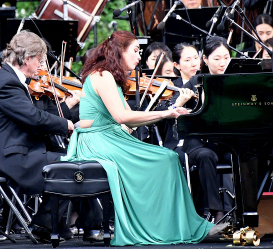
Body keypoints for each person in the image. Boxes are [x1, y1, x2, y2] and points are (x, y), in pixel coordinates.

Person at [61, 30, 217, 246]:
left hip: (110, 137)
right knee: (165, 160)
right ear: (119, 51)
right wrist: (165, 113)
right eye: (135, 51)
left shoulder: (109, 77)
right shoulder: (102, 75)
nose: (138, 57)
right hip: (97, 141)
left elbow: (129, 122)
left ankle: (176, 225)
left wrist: (171, 109)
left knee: (168, 158)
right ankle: (162, 226)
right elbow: (122, 116)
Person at [0, 31, 79, 240]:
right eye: (40, 60)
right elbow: (33, 118)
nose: (41, 66)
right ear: (27, 59)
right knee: (70, 164)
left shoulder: (10, 78)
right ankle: (45, 223)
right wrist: (66, 124)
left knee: (70, 160)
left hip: (20, 150)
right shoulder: (7, 83)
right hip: (11, 158)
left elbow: (33, 117)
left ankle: (57, 223)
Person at [175, 36, 230, 224]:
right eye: (216, 58)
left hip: (225, 141)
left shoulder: (233, 81)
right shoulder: (194, 82)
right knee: (206, 156)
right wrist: (181, 103)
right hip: (199, 141)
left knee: (248, 153)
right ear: (205, 59)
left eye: (226, 57)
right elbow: (179, 116)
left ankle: (248, 209)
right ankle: (217, 211)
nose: (222, 63)